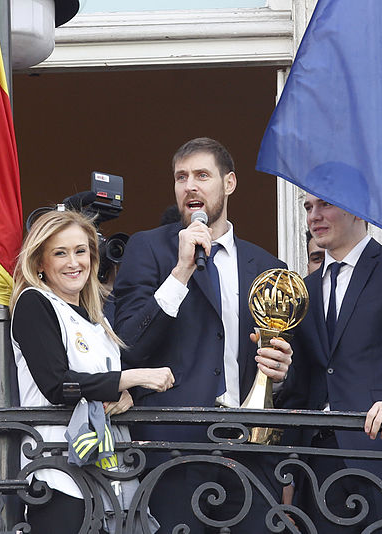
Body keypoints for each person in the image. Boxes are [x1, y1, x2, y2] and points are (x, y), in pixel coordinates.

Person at [112, 137, 294, 532]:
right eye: (181, 177)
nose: (190, 186)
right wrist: (180, 272)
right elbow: (129, 343)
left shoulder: (266, 265)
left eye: (201, 175)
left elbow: (286, 365)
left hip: (249, 448)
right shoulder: (148, 248)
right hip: (172, 449)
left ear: (229, 183)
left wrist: (280, 373)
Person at [11, 208, 174, 533]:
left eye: (80, 251)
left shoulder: (96, 317)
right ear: (40, 262)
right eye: (60, 253)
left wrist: (124, 395)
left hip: (108, 468)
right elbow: (57, 385)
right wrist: (133, 378)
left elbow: (102, 384)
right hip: (58, 471)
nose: (74, 262)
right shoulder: (34, 302)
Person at [282, 193, 382, 532]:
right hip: (318, 463)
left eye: (325, 204)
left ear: (358, 208)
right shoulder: (304, 290)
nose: (314, 216)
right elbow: (303, 382)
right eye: (308, 208)